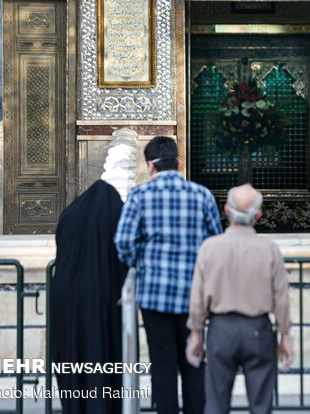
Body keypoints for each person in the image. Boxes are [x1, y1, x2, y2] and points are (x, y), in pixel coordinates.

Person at [114, 136, 222, 414]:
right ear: (178, 163)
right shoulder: (202, 195)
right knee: (194, 362)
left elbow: (123, 242)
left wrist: (143, 260)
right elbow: (215, 243)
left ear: (150, 166)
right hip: (193, 297)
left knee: (162, 365)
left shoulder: (139, 196)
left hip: (154, 296)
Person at [186, 184, 293, 414]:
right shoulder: (269, 249)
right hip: (259, 331)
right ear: (258, 215)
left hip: (221, 330)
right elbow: (281, 297)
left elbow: (198, 297)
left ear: (225, 210)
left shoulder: (210, 248)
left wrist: (195, 333)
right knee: (261, 405)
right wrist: (284, 334)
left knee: (216, 403)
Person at [50, 180, 127, 414]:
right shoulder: (116, 216)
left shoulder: (70, 215)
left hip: (67, 299)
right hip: (105, 297)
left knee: (72, 356)